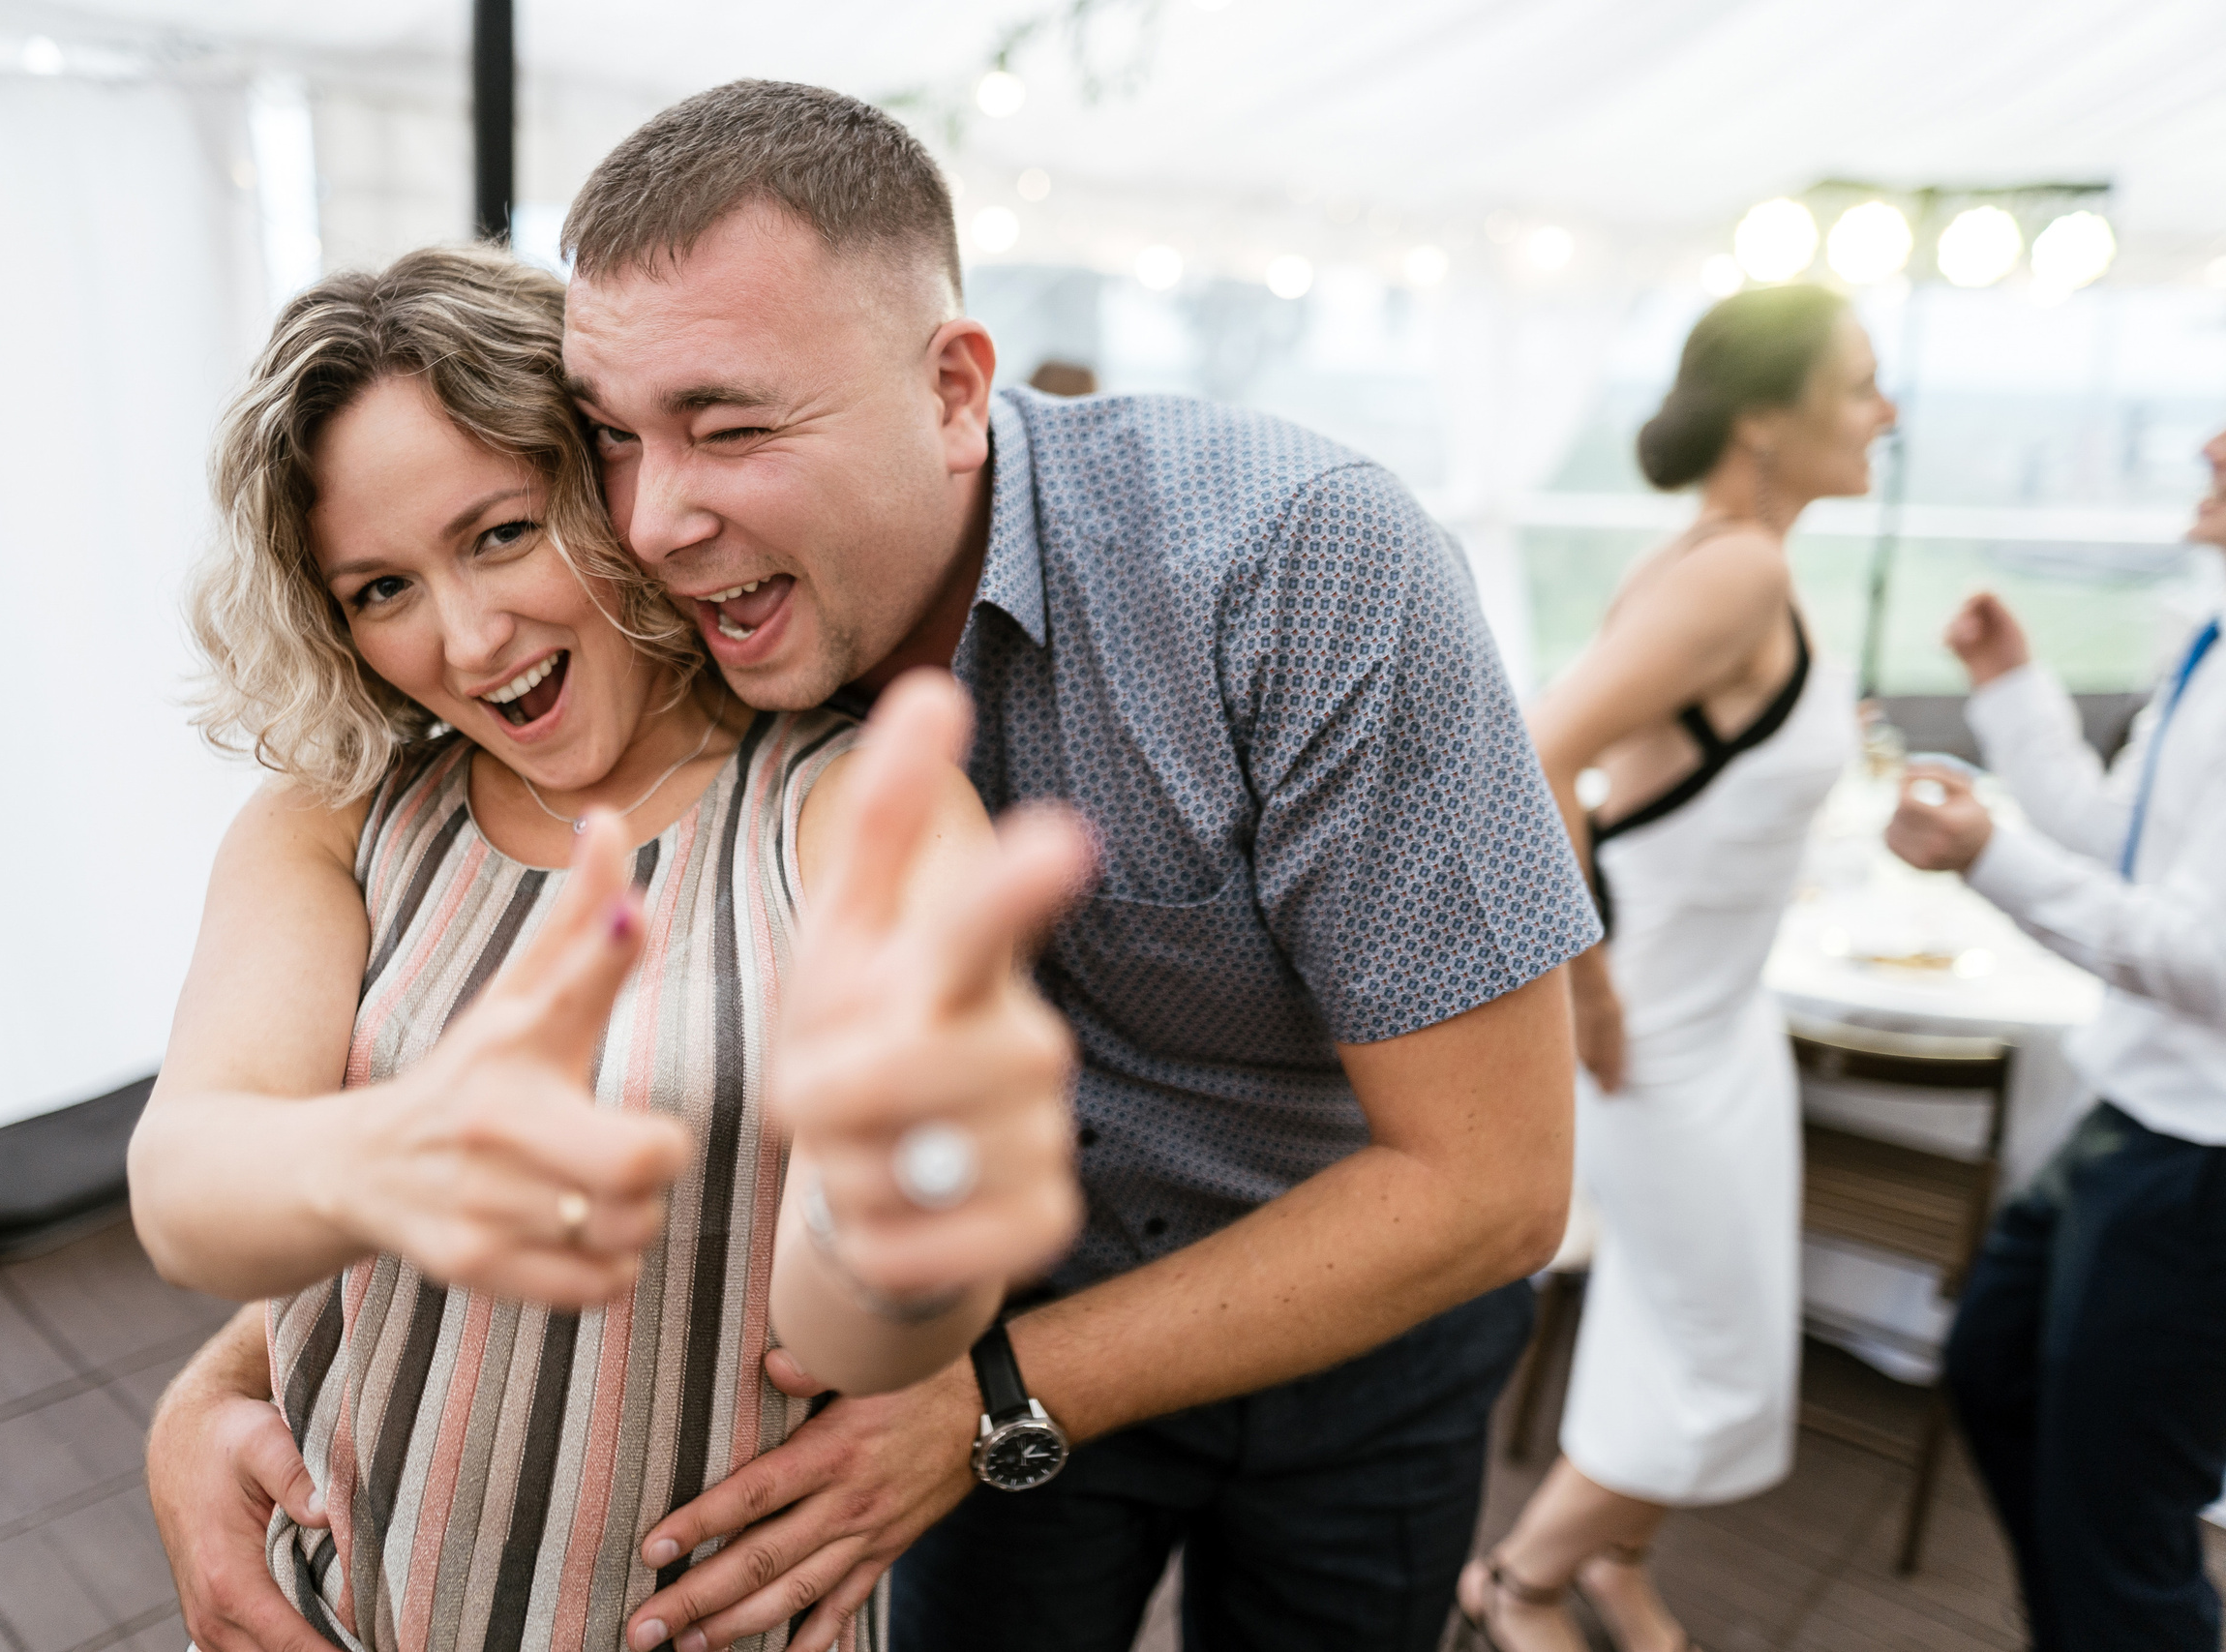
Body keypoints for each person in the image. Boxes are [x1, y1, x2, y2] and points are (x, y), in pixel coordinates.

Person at [152, 80, 1597, 1652]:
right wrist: (227, 1374)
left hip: (1338, 1317)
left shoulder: (1291, 563)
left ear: (955, 390)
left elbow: (1494, 1181)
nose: (663, 513)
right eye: (618, 441)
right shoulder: (643, 670)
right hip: (940, 1354)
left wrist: (973, 1364)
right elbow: (440, 1122)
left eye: (731, 425)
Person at [128, 244, 1091, 1650]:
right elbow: (185, 1177)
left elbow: (842, 1336)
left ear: (608, 485)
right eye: (378, 588)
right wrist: (392, 1154)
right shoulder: (336, 819)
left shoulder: (843, 809)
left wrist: (904, 1224)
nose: (465, 637)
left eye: (501, 533)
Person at [1456, 285, 1888, 1652]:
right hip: (1660, 1031)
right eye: (1863, 384)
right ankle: (1518, 1580)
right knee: (1719, 1361)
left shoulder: (1739, 556)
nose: (1887, 410)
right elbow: (1536, 754)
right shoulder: (1735, 570)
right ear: (1768, 418)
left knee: (1666, 1321)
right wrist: (1587, 989)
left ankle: (1616, 1569)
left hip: (1719, 1015)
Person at [1884, 427, 2226, 1650]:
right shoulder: (2212, 640)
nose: (2207, 441)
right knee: (1997, 1374)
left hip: (2199, 1160)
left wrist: (1992, 859)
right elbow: (2116, 838)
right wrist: (2012, 689)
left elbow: (2211, 962)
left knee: (2123, 1516)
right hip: (2134, 1112)